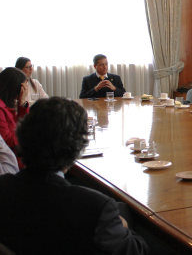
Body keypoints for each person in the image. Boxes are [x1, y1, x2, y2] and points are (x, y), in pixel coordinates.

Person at [0, 97, 149, 254]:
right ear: (76, 147)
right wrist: (124, 227)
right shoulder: (95, 208)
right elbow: (138, 251)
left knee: (122, 207)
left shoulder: (3, 187)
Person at [0, 68, 29, 158]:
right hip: (11, 157)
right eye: (22, 88)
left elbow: (20, 125)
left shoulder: (6, 104)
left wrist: (22, 104)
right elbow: (7, 139)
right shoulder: (0, 108)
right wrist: (29, 138)